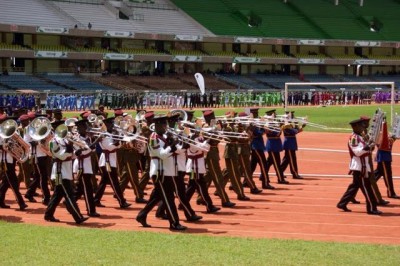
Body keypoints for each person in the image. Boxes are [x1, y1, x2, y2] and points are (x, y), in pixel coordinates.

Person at [136, 115, 187, 230]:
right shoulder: (153, 137)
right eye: (164, 125)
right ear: (157, 125)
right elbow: (162, 155)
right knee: (169, 198)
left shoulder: (163, 136)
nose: (166, 127)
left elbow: (175, 150)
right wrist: (172, 146)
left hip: (167, 171)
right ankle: (174, 223)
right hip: (160, 172)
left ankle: (142, 215)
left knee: (156, 197)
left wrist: (181, 142)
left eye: (166, 124)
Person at [44, 123, 88, 224]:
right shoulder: (53, 142)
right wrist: (70, 147)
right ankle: (78, 217)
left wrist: (76, 152)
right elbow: (61, 156)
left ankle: (48, 214)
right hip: (60, 173)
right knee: (69, 195)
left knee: (57, 195)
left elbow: (70, 156)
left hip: (66, 171)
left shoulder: (65, 139)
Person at [337, 118, 382, 215]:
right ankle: (371, 208)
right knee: (367, 188)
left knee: (355, 186)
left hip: (363, 165)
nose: (363, 127)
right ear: (355, 127)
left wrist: (371, 145)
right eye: (361, 125)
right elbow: (357, 152)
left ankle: (342, 203)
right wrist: (367, 147)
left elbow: (368, 149)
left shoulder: (361, 136)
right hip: (359, 167)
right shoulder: (354, 138)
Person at [374, 118, 399, 199]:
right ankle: (391, 192)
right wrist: (391, 140)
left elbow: (389, 141)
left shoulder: (385, 132)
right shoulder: (379, 133)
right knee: (387, 175)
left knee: (378, 174)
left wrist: (393, 138)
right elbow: (381, 144)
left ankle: (366, 185)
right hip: (383, 157)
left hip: (386, 156)